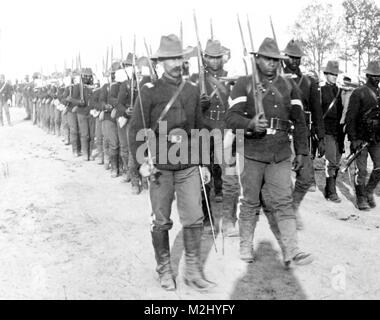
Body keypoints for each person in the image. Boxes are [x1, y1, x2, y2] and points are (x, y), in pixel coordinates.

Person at [129, 34, 215, 292]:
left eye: (179, 57)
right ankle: (164, 269)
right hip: (159, 165)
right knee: (161, 220)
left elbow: (200, 128)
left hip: (188, 162)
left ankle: (192, 270)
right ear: (161, 62)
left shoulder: (191, 90)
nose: (176, 63)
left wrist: (204, 163)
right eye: (171, 58)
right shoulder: (149, 92)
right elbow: (136, 129)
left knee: (194, 217)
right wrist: (141, 161)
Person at [225, 37, 313, 267]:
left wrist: (303, 152)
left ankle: (291, 250)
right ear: (257, 59)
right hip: (252, 151)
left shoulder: (289, 86)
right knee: (250, 201)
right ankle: (245, 244)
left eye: (275, 60)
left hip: (280, 152)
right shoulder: (244, 83)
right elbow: (230, 117)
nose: (271, 64)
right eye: (267, 59)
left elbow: (300, 122)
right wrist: (250, 124)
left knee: (284, 200)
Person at [283, 40, 325, 229]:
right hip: (280, 133)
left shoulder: (309, 82)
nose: (294, 60)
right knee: (279, 177)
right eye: (291, 57)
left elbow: (317, 112)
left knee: (306, 177)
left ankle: (291, 208)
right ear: (284, 57)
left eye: (297, 58)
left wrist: (321, 137)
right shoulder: (277, 79)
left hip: (301, 133)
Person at [346, 61, 380, 210]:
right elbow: (350, 117)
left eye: (378, 76)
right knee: (362, 170)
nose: (377, 79)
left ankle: (368, 191)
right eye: (374, 76)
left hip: (376, 138)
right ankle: (360, 198)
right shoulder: (358, 92)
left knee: (379, 167)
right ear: (367, 76)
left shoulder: (379, 93)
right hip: (360, 138)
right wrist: (353, 139)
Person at [321, 61, 344, 203]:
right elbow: (318, 112)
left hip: (338, 131)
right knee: (331, 161)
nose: (334, 77)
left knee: (337, 159)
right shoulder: (321, 91)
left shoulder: (340, 91)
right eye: (332, 74)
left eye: (336, 74)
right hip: (326, 129)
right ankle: (332, 191)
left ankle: (329, 188)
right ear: (326, 75)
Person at [99, 61, 122, 177]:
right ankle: (114, 167)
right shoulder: (106, 86)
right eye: (113, 73)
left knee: (122, 145)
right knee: (113, 143)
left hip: (122, 116)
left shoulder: (123, 85)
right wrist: (105, 106)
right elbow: (101, 100)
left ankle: (122, 167)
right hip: (109, 117)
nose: (114, 76)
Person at [69, 68, 96, 161]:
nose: (88, 78)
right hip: (81, 112)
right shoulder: (78, 87)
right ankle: (85, 153)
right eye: (86, 76)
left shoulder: (94, 86)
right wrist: (79, 102)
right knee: (85, 134)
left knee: (92, 134)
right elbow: (71, 99)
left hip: (92, 113)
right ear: (82, 77)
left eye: (89, 76)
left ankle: (91, 152)